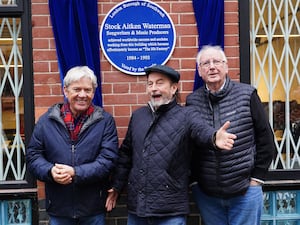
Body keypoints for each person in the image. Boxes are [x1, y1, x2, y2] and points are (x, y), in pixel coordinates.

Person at [105, 64, 237, 225]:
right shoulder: (138, 116)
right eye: (150, 84)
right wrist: (117, 185)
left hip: (170, 210)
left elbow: (200, 130)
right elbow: (126, 154)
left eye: (160, 83)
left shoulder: (186, 115)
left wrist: (214, 137)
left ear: (174, 88)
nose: (154, 88)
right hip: (137, 209)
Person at [186, 45, 275, 225]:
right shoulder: (192, 101)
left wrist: (256, 179)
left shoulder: (247, 94)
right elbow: (190, 144)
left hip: (245, 192)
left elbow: (265, 139)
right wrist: (195, 182)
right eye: (205, 63)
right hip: (208, 195)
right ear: (199, 71)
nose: (212, 66)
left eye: (217, 61)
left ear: (226, 67)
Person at [26, 66, 119, 225]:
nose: (82, 95)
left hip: (93, 209)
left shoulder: (105, 121)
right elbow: (33, 156)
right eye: (77, 89)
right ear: (66, 90)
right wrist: (50, 171)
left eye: (87, 90)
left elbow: (108, 161)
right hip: (59, 208)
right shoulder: (46, 121)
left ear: (93, 92)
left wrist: (76, 173)